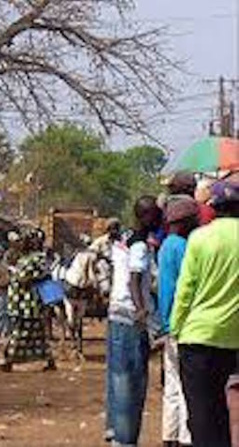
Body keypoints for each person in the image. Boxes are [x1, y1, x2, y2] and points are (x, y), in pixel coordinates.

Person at [170, 180, 239, 447]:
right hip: (231, 338)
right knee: (221, 409)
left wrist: (174, 328)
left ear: (214, 207)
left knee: (200, 411)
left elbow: (186, 289)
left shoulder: (200, 238)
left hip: (196, 336)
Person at [106, 196, 162, 446]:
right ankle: (126, 439)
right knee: (132, 382)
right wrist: (141, 309)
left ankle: (115, 431)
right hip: (131, 318)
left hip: (116, 314)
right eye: (156, 214)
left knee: (117, 378)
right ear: (148, 216)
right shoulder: (139, 245)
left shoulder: (123, 239)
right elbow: (135, 278)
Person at [158, 197, 199, 447]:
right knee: (187, 386)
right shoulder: (184, 247)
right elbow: (185, 287)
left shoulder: (165, 246)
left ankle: (168, 435)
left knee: (171, 385)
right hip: (183, 321)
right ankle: (185, 437)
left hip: (168, 321)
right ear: (185, 221)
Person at [2, 228, 55, 372]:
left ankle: (9, 361)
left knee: (21, 330)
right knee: (37, 333)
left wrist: (22, 277)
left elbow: (39, 275)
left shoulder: (39, 258)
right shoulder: (24, 258)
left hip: (29, 302)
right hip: (19, 300)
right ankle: (50, 360)